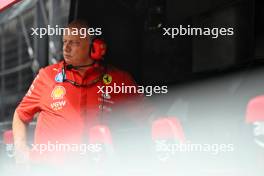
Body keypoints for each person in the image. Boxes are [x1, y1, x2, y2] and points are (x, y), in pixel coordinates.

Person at [12, 20, 144, 165]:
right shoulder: (47, 76)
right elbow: (21, 115)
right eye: (64, 42)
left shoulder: (119, 79)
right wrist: (20, 149)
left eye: (74, 43)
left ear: (94, 48)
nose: (66, 48)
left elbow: (147, 117)